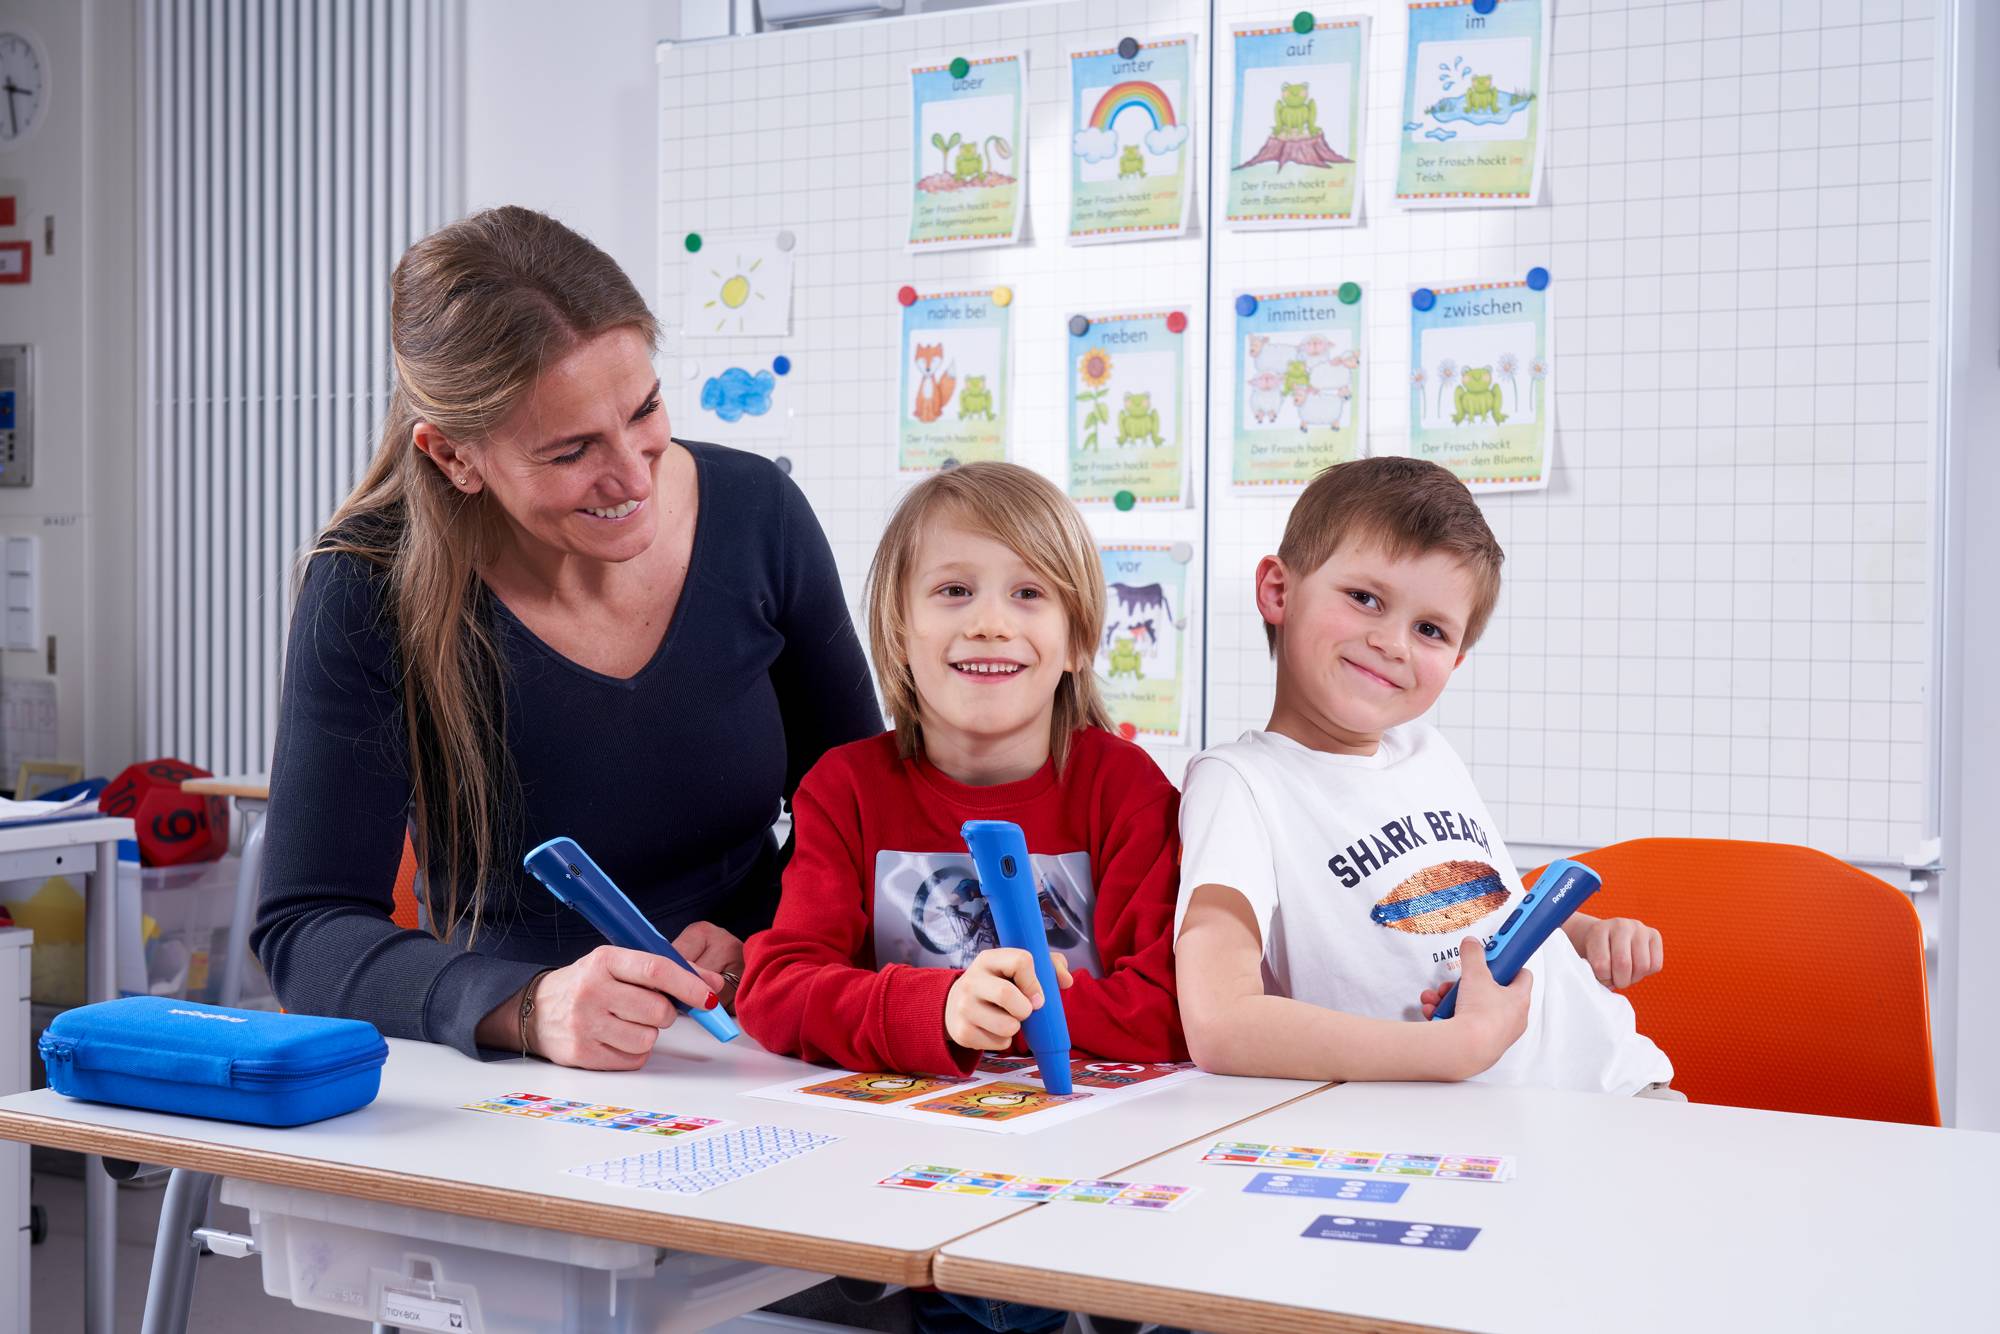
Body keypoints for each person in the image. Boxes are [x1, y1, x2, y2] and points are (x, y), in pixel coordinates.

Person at [252, 207, 882, 1067]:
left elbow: (863, 812)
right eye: (571, 450)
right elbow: (306, 928)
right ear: (454, 459)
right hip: (514, 1077)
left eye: (645, 409)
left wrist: (767, 933)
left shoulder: (758, 514)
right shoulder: (369, 583)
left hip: (761, 1033)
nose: (631, 476)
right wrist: (526, 1006)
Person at [1174, 456, 1674, 1095]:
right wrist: (1452, 1048)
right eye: (1365, 598)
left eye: (1430, 629)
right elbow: (1219, 1022)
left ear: (1457, 658)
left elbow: (1480, 910)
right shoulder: (1239, 783)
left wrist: (1582, 934)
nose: (1394, 643)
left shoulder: (1427, 751)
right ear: (1279, 591)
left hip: (1621, 1084)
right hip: (1469, 1132)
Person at [737, 461, 1186, 1078]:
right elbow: (777, 992)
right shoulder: (846, 791)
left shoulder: (1127, 791)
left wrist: (1008, 1013)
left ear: (1078, 640)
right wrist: (942, 1008)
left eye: (1029, 594)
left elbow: (1172, 1004)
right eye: (954, 591)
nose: (989, 624)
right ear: (897, 633)